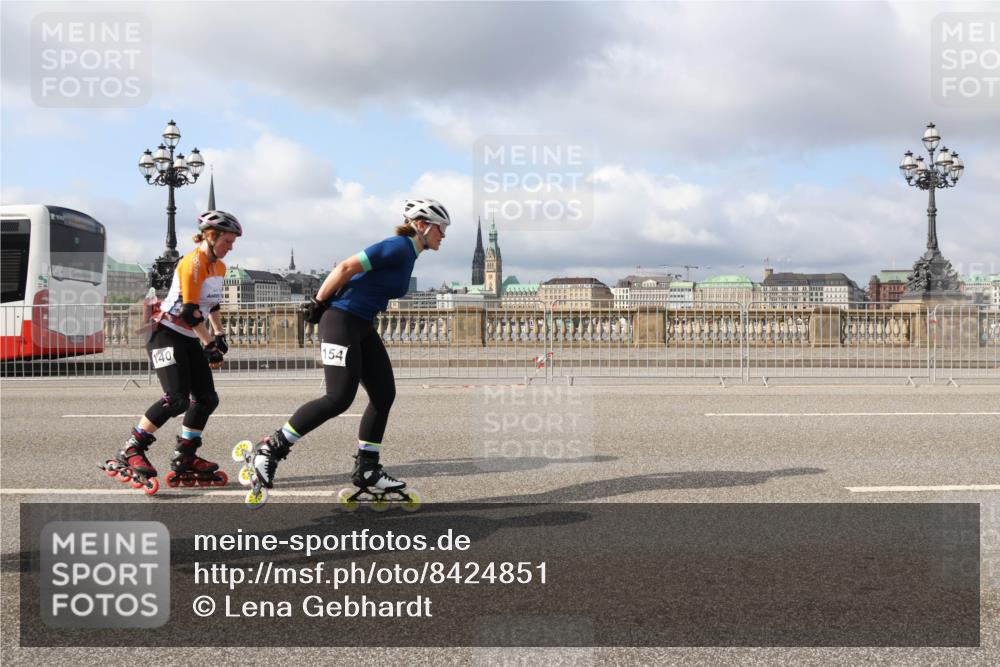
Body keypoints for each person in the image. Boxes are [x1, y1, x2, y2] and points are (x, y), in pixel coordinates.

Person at [247, 199, 449, 499]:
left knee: (383, 395)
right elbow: (346, 266)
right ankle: (272, 448)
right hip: (341, 320)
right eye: (440, 228)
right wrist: (318, 301)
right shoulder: (398, 246)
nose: (443, 235)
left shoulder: (410, 255)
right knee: (338, 397)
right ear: (421, 224)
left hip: (361, 324)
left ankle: (367, 469)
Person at [102, 210, 242, 494]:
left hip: (187, 335)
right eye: (228, 241)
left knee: (206, 398)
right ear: (211, 237)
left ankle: (185, 456)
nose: (231, 246)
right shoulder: (192, 264)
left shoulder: (219, 268)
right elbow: (190, 313)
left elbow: (211, 306)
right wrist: (209, 345)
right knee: (176, 399)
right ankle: (130, 450)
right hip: (164, 333)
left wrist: (219, 332)